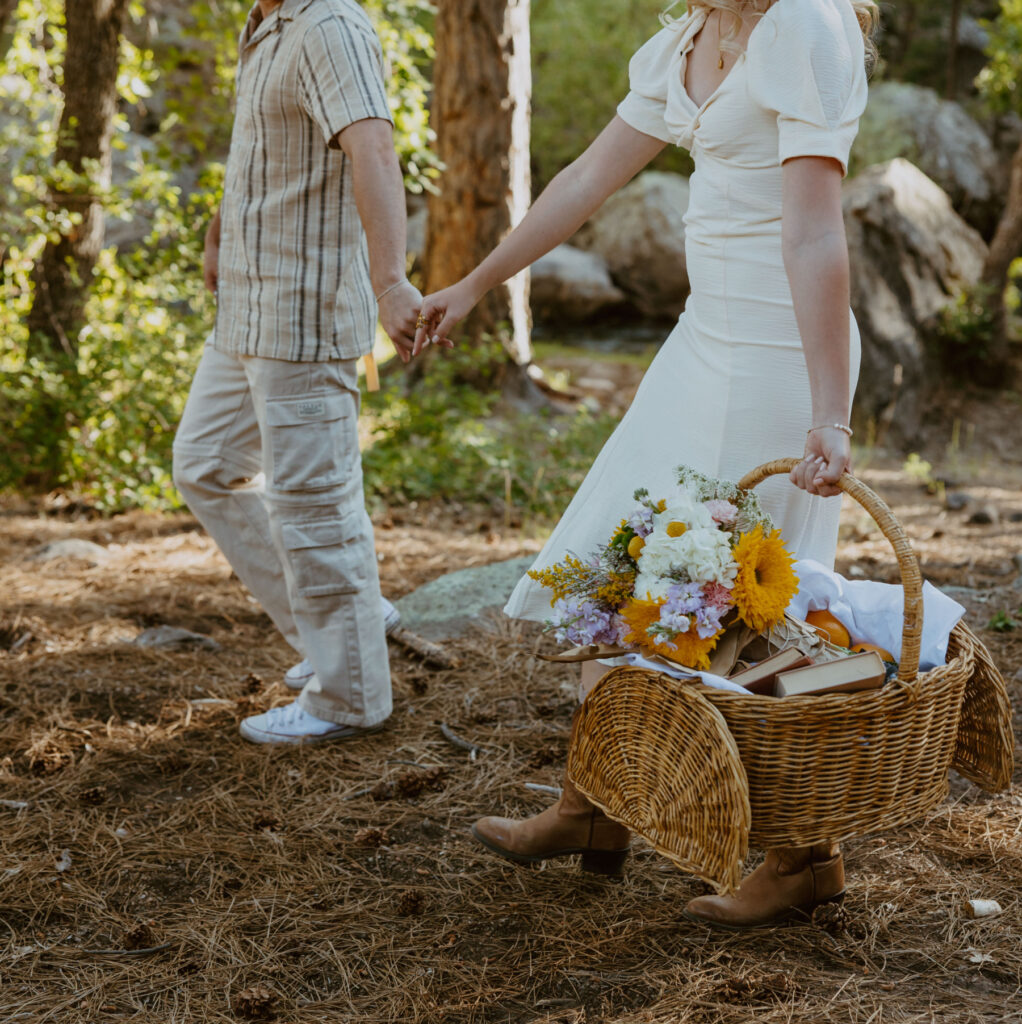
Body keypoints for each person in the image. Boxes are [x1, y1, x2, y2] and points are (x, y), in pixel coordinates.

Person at [414, 0, 876, 928]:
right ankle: (594, 808)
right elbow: (587, 178)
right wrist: (473, 283)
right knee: (614, 561)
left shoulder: (808, 28)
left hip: (781, 357)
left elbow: (816, 231)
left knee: (753, 609)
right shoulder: (685, 40)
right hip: (701, 344)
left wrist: (831, 412)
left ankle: (804, 858)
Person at [173, 0, 422, 745]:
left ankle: (350, 696)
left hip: (302, 310)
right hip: (246, 305)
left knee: (314, 508)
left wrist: (390, 284)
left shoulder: (328, 25)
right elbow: (257, 147)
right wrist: (219, 233)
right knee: (205, 464)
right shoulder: (266, 22)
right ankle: (343, 629)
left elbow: (372, 151)